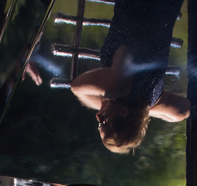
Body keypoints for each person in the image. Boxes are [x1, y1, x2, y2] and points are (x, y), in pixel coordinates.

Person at [69, 0, 190, 153]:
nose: (98, 117)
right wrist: (109, 97)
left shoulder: (151, 98)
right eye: (103, 123)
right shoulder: (114, 85)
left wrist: (140, 111)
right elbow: (76, 87)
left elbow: (182, 110)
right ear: (123, 113)